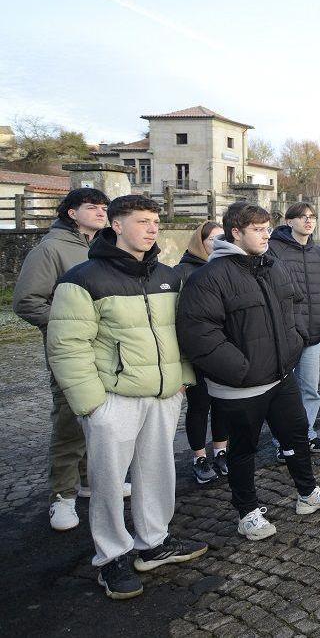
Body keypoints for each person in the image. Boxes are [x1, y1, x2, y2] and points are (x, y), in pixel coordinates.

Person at [47, 194, 206, 599]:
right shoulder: (82, 279)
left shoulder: (168, 276)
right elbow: (67, 346)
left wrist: (182, 378)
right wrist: (93, 405)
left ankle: (153, 542)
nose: (152, 228)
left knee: (157, 471)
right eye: (142, 221)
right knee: (107, 481)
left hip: (163, 394)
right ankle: (111, 556)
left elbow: (180, 333)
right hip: (112, 399)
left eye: (155, 221)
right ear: (115, 225)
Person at [178, 202, 320, 543]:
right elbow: (199, 334)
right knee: (243, 450)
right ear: (236, 232)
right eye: (257, 229)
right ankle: (247, 512)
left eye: (267, 227)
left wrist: (294, 343)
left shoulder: (273, 267)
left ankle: (307, 493)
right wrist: (241, 369)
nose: (266, 234)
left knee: (297, 435)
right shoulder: (208, 278)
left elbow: (295, 305)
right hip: (240, 386)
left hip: (281, 375)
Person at [13, 187, 116, 530]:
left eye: (104, 207)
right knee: (70, 418)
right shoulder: (51, 249)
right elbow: (27, 301)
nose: (102, 212)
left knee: (100, 413)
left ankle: (89, 482)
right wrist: (66, 327)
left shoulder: (105, 246)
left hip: (105, 347)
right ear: (72, 212)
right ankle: (62, 495)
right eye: (93, 207)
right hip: (69, 348)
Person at [268, 203, 320, 455]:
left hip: (313, 332)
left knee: (310, 388)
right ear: (289, 221)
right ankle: (283, 442)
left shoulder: (317, 252)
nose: (308, 221)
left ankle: (307, 434)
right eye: (302, 217)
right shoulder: (273, 249)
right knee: (283, 391)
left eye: (312, 217)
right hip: (285, 334)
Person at [176, 220, 229, 484]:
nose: (217, 245)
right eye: (212, 240)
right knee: (199, 406)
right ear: (201, 242)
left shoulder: (226, 267)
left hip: (224, 351)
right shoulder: (183, 272)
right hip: (197, 353)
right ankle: (198, 456)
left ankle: (221, 450)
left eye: (222, 239)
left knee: (222, 404)